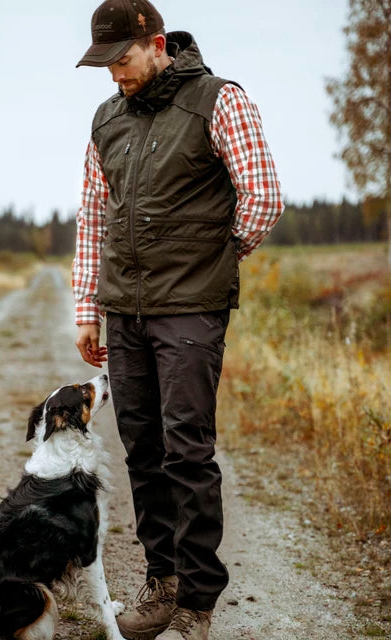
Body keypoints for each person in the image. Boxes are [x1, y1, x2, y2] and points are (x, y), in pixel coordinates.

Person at [73, 1, 283, 639]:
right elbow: (93, 217)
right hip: (125, 311)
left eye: (123, 59)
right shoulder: (106, 120)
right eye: (103, 64)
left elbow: (264, 195)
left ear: (156, 43)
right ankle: (160, 583)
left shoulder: (219, 100)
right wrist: (87, 307)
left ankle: (196, 602)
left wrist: (212, 262)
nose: (115, 75)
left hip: (190, 307)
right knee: (142, 450)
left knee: (187, 451)